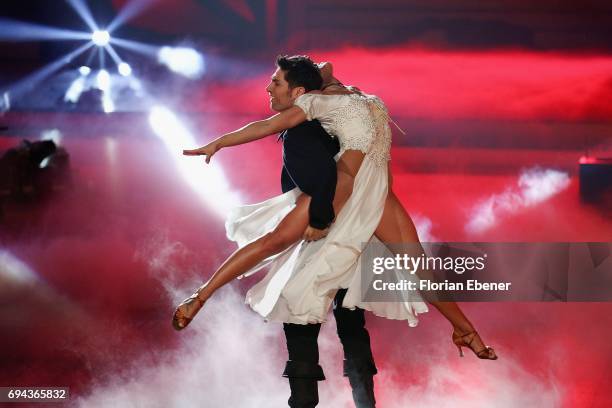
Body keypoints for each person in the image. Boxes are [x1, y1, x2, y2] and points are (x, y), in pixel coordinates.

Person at [173, 56, 497, 367]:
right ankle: (200, 297)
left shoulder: (337, 90)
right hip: (346, 184)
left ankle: (464, 330)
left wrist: (315, 75)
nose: (269, 88)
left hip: (379, 188)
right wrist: (218, 143)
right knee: (276, 240)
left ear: (297, 86)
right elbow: (264, 125)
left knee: (417, 265)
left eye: (275, 81)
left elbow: (326, 68)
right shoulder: (308, 105)